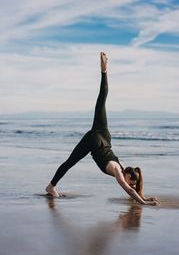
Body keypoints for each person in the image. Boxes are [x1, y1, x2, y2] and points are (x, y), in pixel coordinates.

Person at [46, 52, 160, 206]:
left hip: (103, 136)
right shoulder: (118, 171)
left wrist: (143, 197)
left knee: (101, 100)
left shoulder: (122, 167)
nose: (130, 185)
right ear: (127, 175)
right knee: (70, 161)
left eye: (132, 183)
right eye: (131, 182)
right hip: (96, 141)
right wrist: (143, 202)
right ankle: (50, 187)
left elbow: (133, 189)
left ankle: (104, 71)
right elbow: (130, 191)